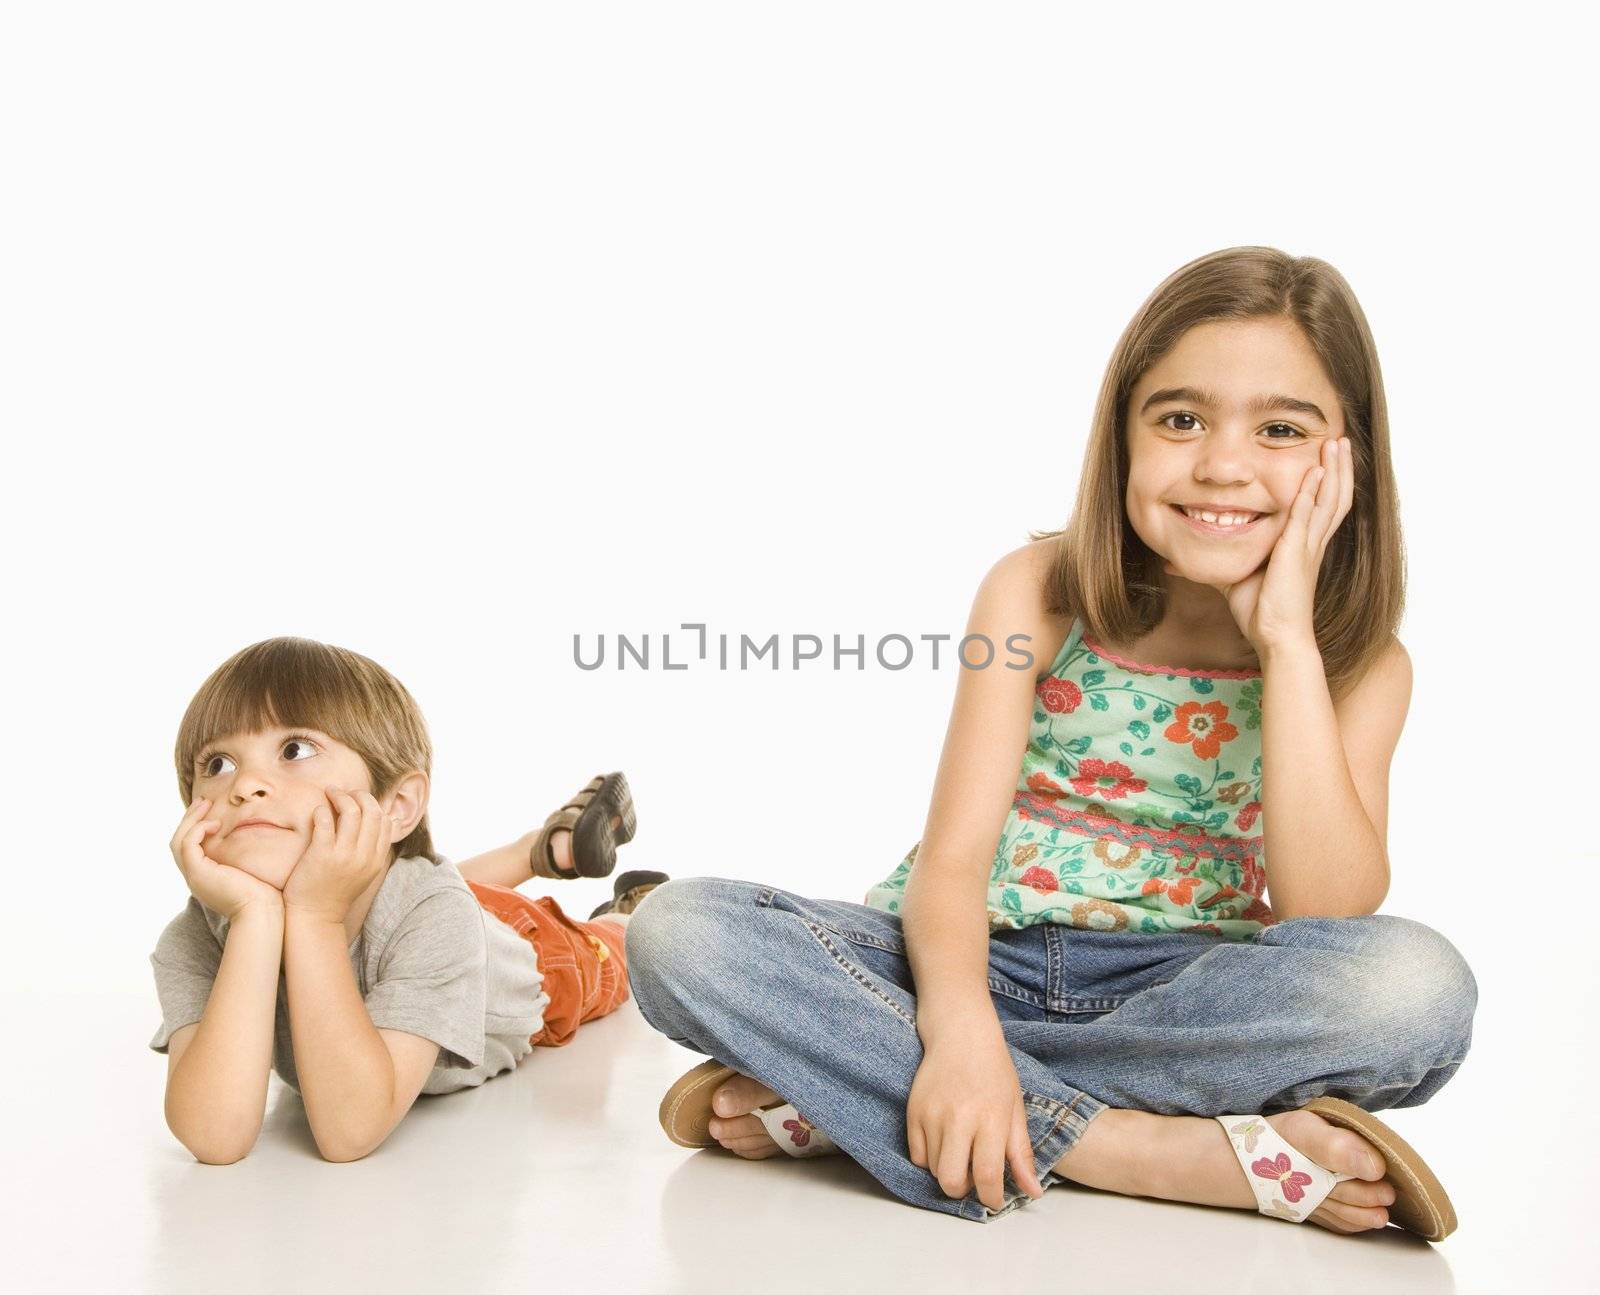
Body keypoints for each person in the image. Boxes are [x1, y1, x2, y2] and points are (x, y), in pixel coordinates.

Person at [625, 246, 1478, 1238]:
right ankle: (1134, 1146)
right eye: (1180, 418)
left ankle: (869, 1086)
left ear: (1347, 460)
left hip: (1178, 997)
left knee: (1418, 989)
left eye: (1280, 429)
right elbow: (952, 861)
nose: (1221, 464)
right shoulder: (1034, 591)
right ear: (1122, 435)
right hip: (965, 963)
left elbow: (1325, 907)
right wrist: (959, 1027)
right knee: (678, 931)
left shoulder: (1359, 664)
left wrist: (1284, 642)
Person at [148, 635, 667, 1164]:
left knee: (608, 954)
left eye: (294, 750)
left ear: (395, 806)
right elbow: (213, 1136)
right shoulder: (194, 938)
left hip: (535, 952)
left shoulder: (434, 915)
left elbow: (348, 1131)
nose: (246, 785)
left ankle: (629, 913)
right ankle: (541, 851)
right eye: (217, 764)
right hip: (432, 904)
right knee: (429, 892)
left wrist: (313, 917)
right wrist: (255, 918)